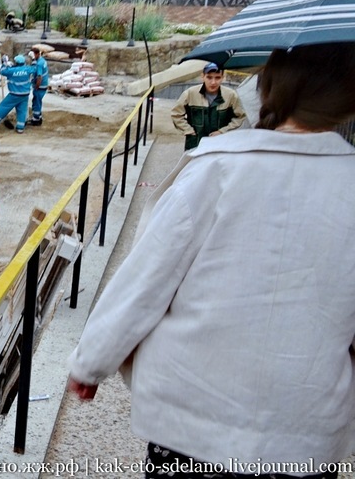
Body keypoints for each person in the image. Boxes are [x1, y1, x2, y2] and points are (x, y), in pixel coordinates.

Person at [67, 43, 355, 479]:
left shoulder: (217, 169)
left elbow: (147, 279)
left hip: (193, 419)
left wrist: (93, 362)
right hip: (305, 426)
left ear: (272, 87)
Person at [171, 61, 246, 149]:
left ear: (223, 77)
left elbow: (240, 116)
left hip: (221, 143)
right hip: (195, 143)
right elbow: (176, 114)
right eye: (209, 77)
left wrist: (223, 131)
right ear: (202, 76)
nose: (213, 82)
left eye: (217, 78)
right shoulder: (190, 93)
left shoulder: (230, 95)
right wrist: (188, 130)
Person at [0, 54, 35, 133]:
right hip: (25, 94)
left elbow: (2, 71)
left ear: (16, 62)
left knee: (4, 105)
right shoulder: (27, 69)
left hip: (14, 94)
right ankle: (20, 127)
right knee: (22, 110)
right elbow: (34, 69)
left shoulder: (12, 71)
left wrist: (4, 63)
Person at [28, 46, 49, 126]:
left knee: (36, 101)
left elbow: (39, 76)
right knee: (38, 101)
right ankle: (38, 117)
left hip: (40, 86)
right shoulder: (42, 61)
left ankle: (36, 119)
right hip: (43, 85)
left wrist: (36, 86)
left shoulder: (39, 64)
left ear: (37, 54)